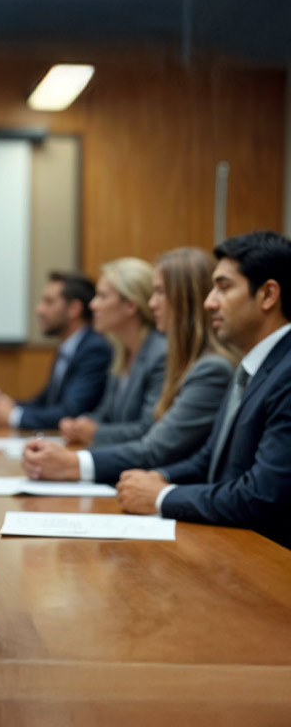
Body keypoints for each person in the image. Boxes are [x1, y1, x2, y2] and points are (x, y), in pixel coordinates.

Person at [117, 231, 291, 549]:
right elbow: (210, 459)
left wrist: (163, 497)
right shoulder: (252, 364)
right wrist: (160, 477)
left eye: (224, 287)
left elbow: (262, 494)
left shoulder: (287, 372)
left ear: (268, 295)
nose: (209, 302)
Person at [24, 248, 237, 482]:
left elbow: (154, 443)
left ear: (183, 300)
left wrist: (76, 461)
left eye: (159, 293)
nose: (151, 303)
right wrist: (83, 427)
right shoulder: (125, 351)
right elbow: (109, 415)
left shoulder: (198, 364)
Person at [0, 272, 112, 429]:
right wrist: (6, 405)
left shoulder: (94, 349)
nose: (39, 310)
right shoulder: (68, 347)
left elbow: (71, 412)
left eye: (49, 302)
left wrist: (14, 416)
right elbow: (45, 402)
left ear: (74, 309)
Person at [58, 257, 166, 447]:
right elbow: (106, 414)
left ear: (130, 306)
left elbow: (148, 429)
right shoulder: (121, 351)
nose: (93, 305)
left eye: (102, 296)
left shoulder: (160, 355)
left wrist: (94, 432)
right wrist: (81, 424)